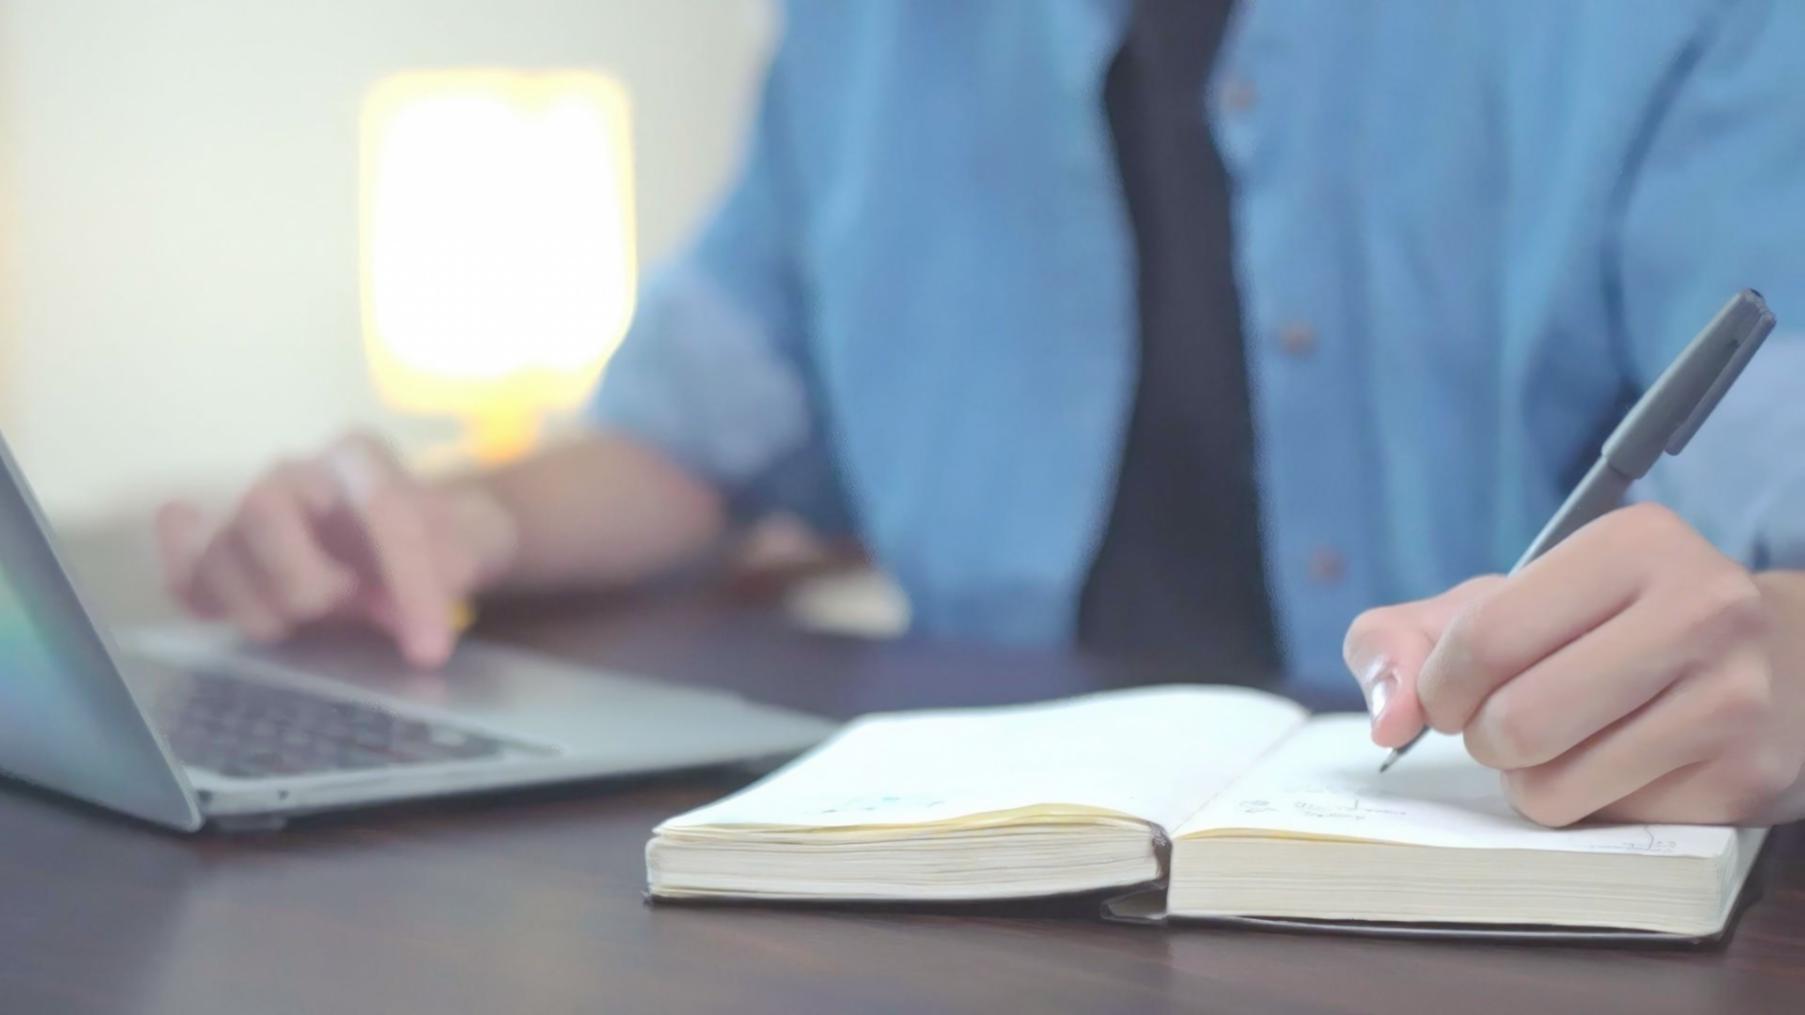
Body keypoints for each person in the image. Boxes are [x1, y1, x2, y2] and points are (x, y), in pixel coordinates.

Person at [158, 1, 1805, 827]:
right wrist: (465, 521)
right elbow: (711, 418)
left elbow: (1774, 532)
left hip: (1495, 882)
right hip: (977, 890)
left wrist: (1778, 668)